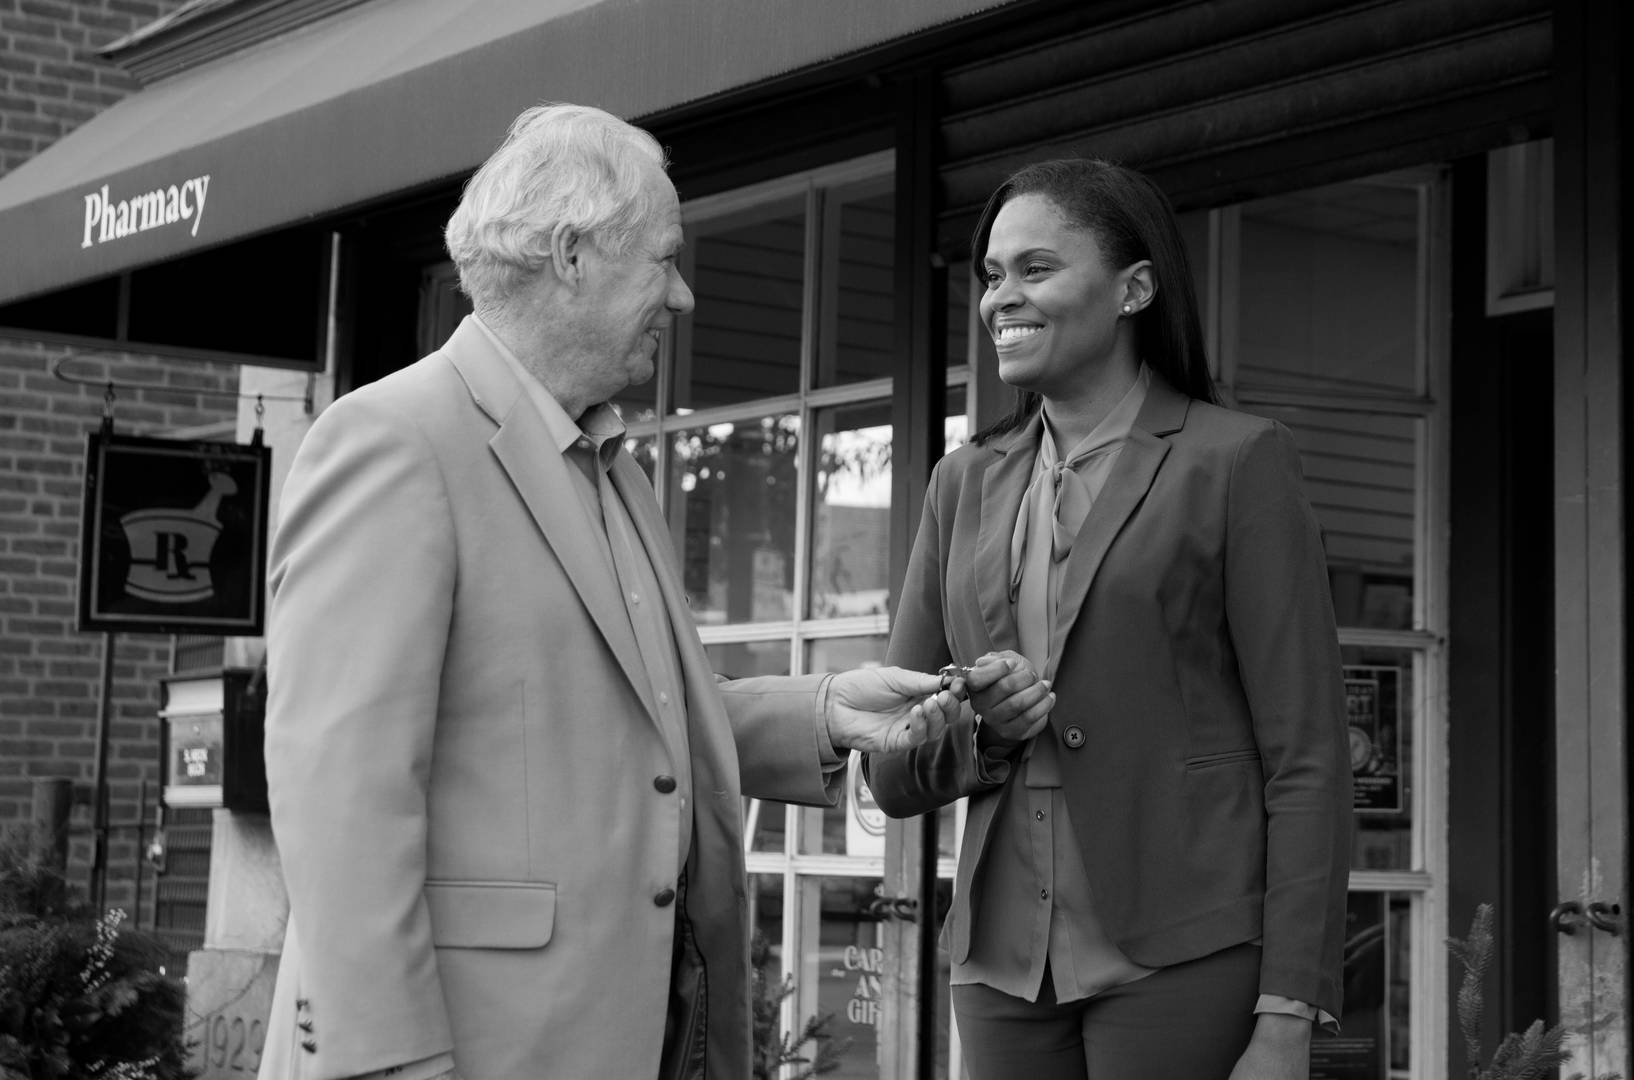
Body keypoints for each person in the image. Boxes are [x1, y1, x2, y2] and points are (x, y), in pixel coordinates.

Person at [256, 104, 965, 1080]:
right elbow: (338, 793)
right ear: (572, 256)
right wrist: (389, 1061)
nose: (680, 297)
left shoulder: (610, 463)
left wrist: (833, 711)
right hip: (465, 1048)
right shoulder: (391, 439)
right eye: (663, 260)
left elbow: (643, 724)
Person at [865, 158, 1352, 1080]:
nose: (1001, 296)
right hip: (1002, 959)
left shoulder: (1236, 460)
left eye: (1036, 268)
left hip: (1186, 946)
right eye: (992, 274)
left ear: (1133, 288)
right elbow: (891, 762)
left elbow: (1307, 756)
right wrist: (984, 735)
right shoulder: (961, 482)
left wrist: (1288, 1010)